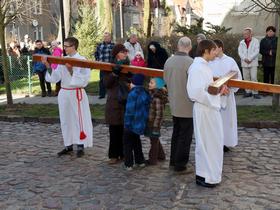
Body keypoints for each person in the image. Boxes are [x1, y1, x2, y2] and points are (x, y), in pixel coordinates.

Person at [187, 39, 229, 188]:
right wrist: (217, 95)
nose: (216, 53)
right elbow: (195, 93)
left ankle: (208, 174)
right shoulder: (197, 68)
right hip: (204, 110)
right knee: (206, 143)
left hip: (209, 109)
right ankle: (204, 176)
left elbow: (208, 88)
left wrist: (219, 90)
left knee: (213, 142)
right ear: (206, 51)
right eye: (214, 50)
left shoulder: (205, 66)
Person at [42, 37, 93, 158]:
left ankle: (80, 145)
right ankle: (68, 145)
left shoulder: (82, 60)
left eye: (66, 46)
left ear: (74, 46)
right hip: (64, 92)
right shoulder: (62, 60)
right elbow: (55, 78)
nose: (64, 48)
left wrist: (71, 71)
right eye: (64, 46)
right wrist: (48, 66)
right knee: (66, 119)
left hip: (76, 93)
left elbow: (84, 80)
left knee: (78, 119)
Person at [163, 37, 194, 172]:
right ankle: (180, 165)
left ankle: (173, 161)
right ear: (190, 47)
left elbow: (165, 80)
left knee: (176, 133)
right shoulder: (191, 63)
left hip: (174, 102)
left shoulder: (169, 61)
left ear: (178, 46)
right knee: (185, 136)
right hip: (187, 104)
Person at [209, 39, 242, 152]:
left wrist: (229, 87)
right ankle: (214, 142)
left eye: (215, 48)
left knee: (226, 121)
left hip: (226, 96)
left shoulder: (230, 61)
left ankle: (225, 142)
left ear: (220, 48)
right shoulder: (209, 61)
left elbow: (238, 78)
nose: (213, 51)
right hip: (213, 96)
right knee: (214, 121)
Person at [103, 44, 130, 164]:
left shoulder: (128, 66)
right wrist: (114, 73)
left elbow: (134, 79)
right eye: (122, 52)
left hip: (125, 100)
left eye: (126, 52)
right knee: (114, 130)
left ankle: (124, 154)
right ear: (116, 53)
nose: (125, 54)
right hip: (114, 101)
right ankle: (113, 155)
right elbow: (106, 84)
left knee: (125, 130)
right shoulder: (108, 66)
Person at [123, 74, 150, 170]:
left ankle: (128, 164)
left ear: (133, 83)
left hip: (130, 124)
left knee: (127, 144)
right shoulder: (145, 93)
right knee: (137, 142)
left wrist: (126, 123)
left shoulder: (132, 94)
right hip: (139, 123)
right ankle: (140, 161)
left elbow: (129, 110)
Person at [145, 77, 167, 165]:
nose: (149, 84)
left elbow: (159, 115)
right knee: (154, 139)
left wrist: (156, 127)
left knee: (154, 141)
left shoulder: (157, 98)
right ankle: (161, 156)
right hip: (151, 122)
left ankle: (152, 160)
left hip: (154, 124)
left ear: (157, 86)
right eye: (149, 82)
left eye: (152, 83)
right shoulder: (152, 94)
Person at [238, 27, 261, 99]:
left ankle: (255, 92)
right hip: (244, 62)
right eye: (244, 34)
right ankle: (248, 92)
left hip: (253, 62)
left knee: (254, 77)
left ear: (250, 34)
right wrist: (245, 58)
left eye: (246, 34)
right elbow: (240, 52)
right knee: (246, 78)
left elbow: (256, 51)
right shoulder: (241, 42)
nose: (244, 35)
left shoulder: (256, 41)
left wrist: (250, 58)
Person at [94, 32, 115, 99]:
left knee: (111, 80)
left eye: (107, 37)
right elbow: (96, 53)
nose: (106, 38)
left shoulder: (113, 45)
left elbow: (116, 55)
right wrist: (97, 60)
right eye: (105, 37)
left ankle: (111, 94)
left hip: (110, 66)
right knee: (102, 80)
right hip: (102, 65)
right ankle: (102, 94)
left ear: (110, 37)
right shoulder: (100, 45)